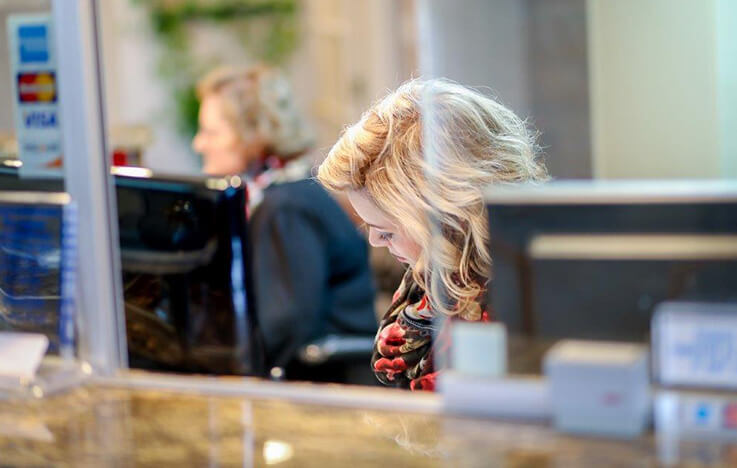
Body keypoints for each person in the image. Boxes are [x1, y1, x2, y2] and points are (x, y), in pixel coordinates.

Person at [317, 78, 548, 391]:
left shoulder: (515, 300)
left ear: (448, 217)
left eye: (385, 232)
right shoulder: (436, 269)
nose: (374, 241)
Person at [192, 65, 377, 381]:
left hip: (332, 387)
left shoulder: (285, 209)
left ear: (253, 135)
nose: (199, 144)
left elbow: (284, 332)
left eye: (212, 132)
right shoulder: (287, 192)